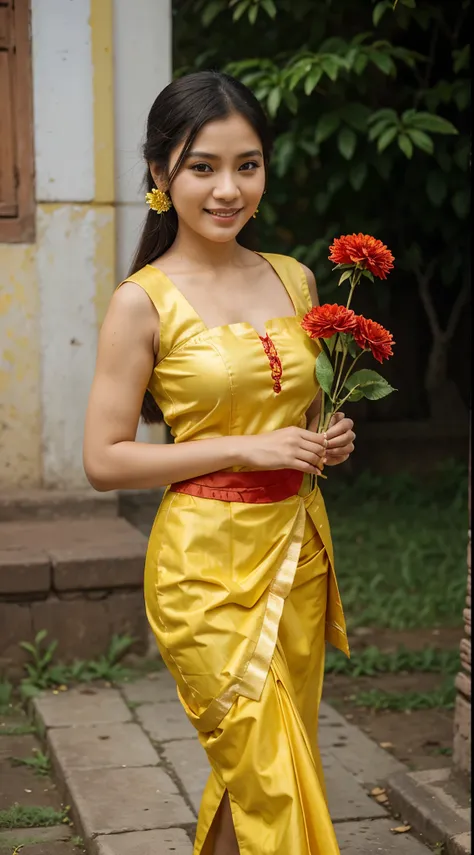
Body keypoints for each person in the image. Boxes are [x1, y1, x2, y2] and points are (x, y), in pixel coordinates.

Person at [83, 70, 354, 855]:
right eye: (203, 166)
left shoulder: (296, 278)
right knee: (268, 767)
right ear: (161, 174)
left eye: (248, 164)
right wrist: (247, 446)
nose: (228, 188)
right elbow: (105, 459)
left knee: (266, 763)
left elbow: (301, 415)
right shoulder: (143, 300)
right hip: (202, 567)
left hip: (295, 549)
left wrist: (329, 434)